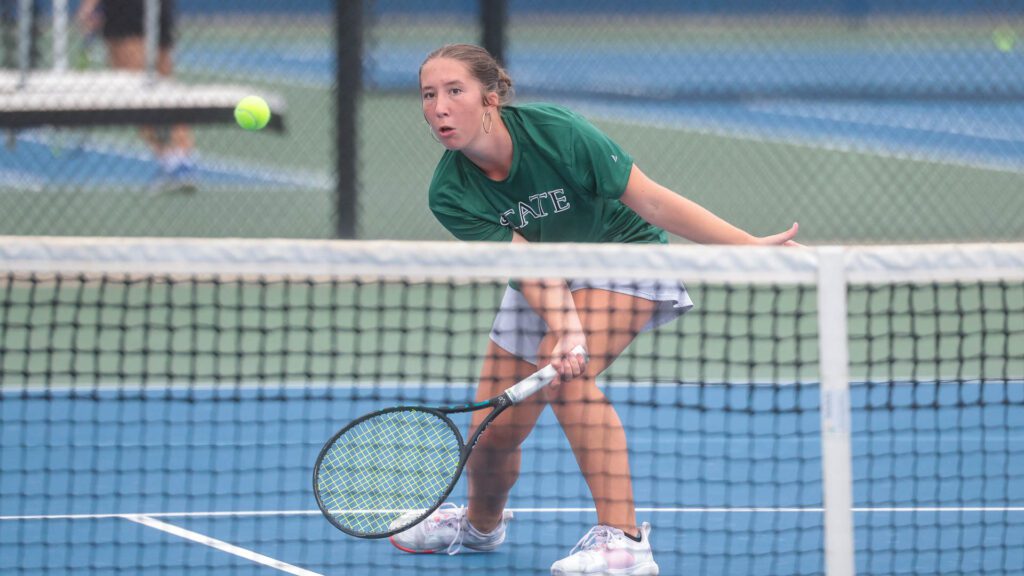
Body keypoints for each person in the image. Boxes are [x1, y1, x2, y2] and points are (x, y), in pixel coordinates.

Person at [392, 43, 800, 575]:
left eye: (454, 91)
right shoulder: (450, 192)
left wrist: (744, 246)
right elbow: (532, 266)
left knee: (563, 377)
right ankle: (479, 526)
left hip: (619, 253)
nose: (439, 107)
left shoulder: (558, 133)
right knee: (492, 435)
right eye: (429, 95)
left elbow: (650, 200)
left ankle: (626, 543)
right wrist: (566, 326)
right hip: (546, 272)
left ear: (490, 98)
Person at [75, 0, 197, 191]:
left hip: (127, 9)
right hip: (158, 7)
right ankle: (180, 161)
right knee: (163, 88)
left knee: (134, 92)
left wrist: (89, 5)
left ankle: (174, 162)